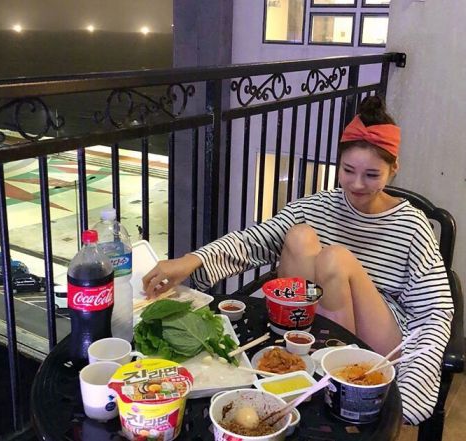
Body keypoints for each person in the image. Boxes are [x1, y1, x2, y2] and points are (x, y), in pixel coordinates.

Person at [142, 96, 453, 425]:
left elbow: (435, 310)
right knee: (299, 236)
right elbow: (255, 240)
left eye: (372, 175)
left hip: (378, 342)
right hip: (318, 323)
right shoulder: (318, 205)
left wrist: (412, 391)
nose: (357, 184)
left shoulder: (412, 224)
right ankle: (308, 364)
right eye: (348, 170)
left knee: (335, 258)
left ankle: (338, 370)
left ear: (393, 169)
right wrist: (191, 260)